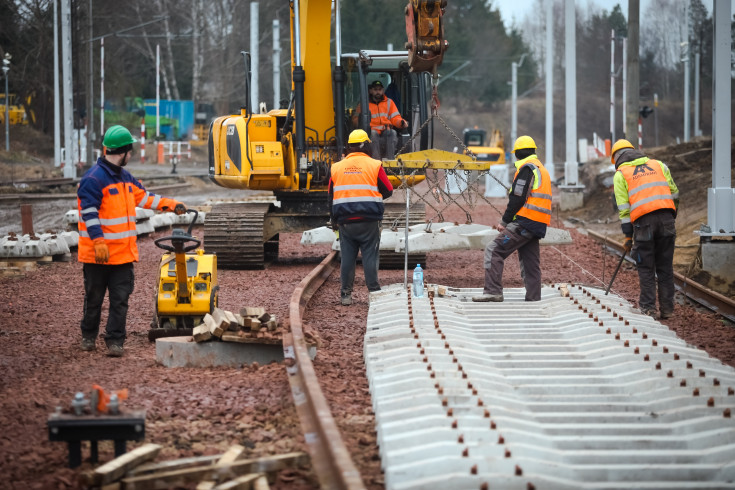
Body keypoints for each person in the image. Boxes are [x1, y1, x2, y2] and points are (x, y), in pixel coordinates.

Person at [77, 125, 186, 357]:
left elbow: (146, 198)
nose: (132, 155)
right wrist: (98, 242)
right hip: (99, 254)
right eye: (131, 151)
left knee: (120, 300)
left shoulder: (126, 178)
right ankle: (88, 336)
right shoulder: (93, 180)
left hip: (122, 256)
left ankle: (115, 341)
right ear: (124, 151)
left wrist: (171, 204)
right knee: (94, 298)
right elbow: (89, 213)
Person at [473, 135, 552, 303]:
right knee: (530, 263)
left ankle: (493, 292)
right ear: (533, 151)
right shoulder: (540, 168)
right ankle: (533, 298)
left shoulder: (527, 168)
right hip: (537, 224)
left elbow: (517, 198)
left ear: (516, 154)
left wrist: (505, 222)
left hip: (525, 222)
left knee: (493, 250)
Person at [611, 139, 679, 319]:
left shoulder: (621, 174)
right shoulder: (659, 165)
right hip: (666, 220)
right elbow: (675, 192)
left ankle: (648, 309)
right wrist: (671, 216)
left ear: (616, 158)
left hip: (643, 224)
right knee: (665, 267)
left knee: (646, 266)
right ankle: (668, 309)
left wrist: (628, 237)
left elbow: (624, 211)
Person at [329, 129, 394, 306]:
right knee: (370, 255)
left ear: (349, 147)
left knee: (348, 258)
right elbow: (388, 190)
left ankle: (346, 296)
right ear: (365, 145)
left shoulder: (336, 167)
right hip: (369, 220)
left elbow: (330, 196)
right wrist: (373, 198)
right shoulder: (374, 165)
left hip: (345, 221)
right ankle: (373, 291)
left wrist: (334, 221)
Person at [357, 80, 408, 160]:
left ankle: (390, 162)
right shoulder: (364, 104)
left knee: (392, 133)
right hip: (371, 132)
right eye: (375, 89)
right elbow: (356, 119)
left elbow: (395, 117)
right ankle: (377, 163)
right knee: (373, 134)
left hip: (385, 132)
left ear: (383, 90)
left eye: (380, 89)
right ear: (370, 91)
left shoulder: (389, 102)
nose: (378, 92)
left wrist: (401, 123)